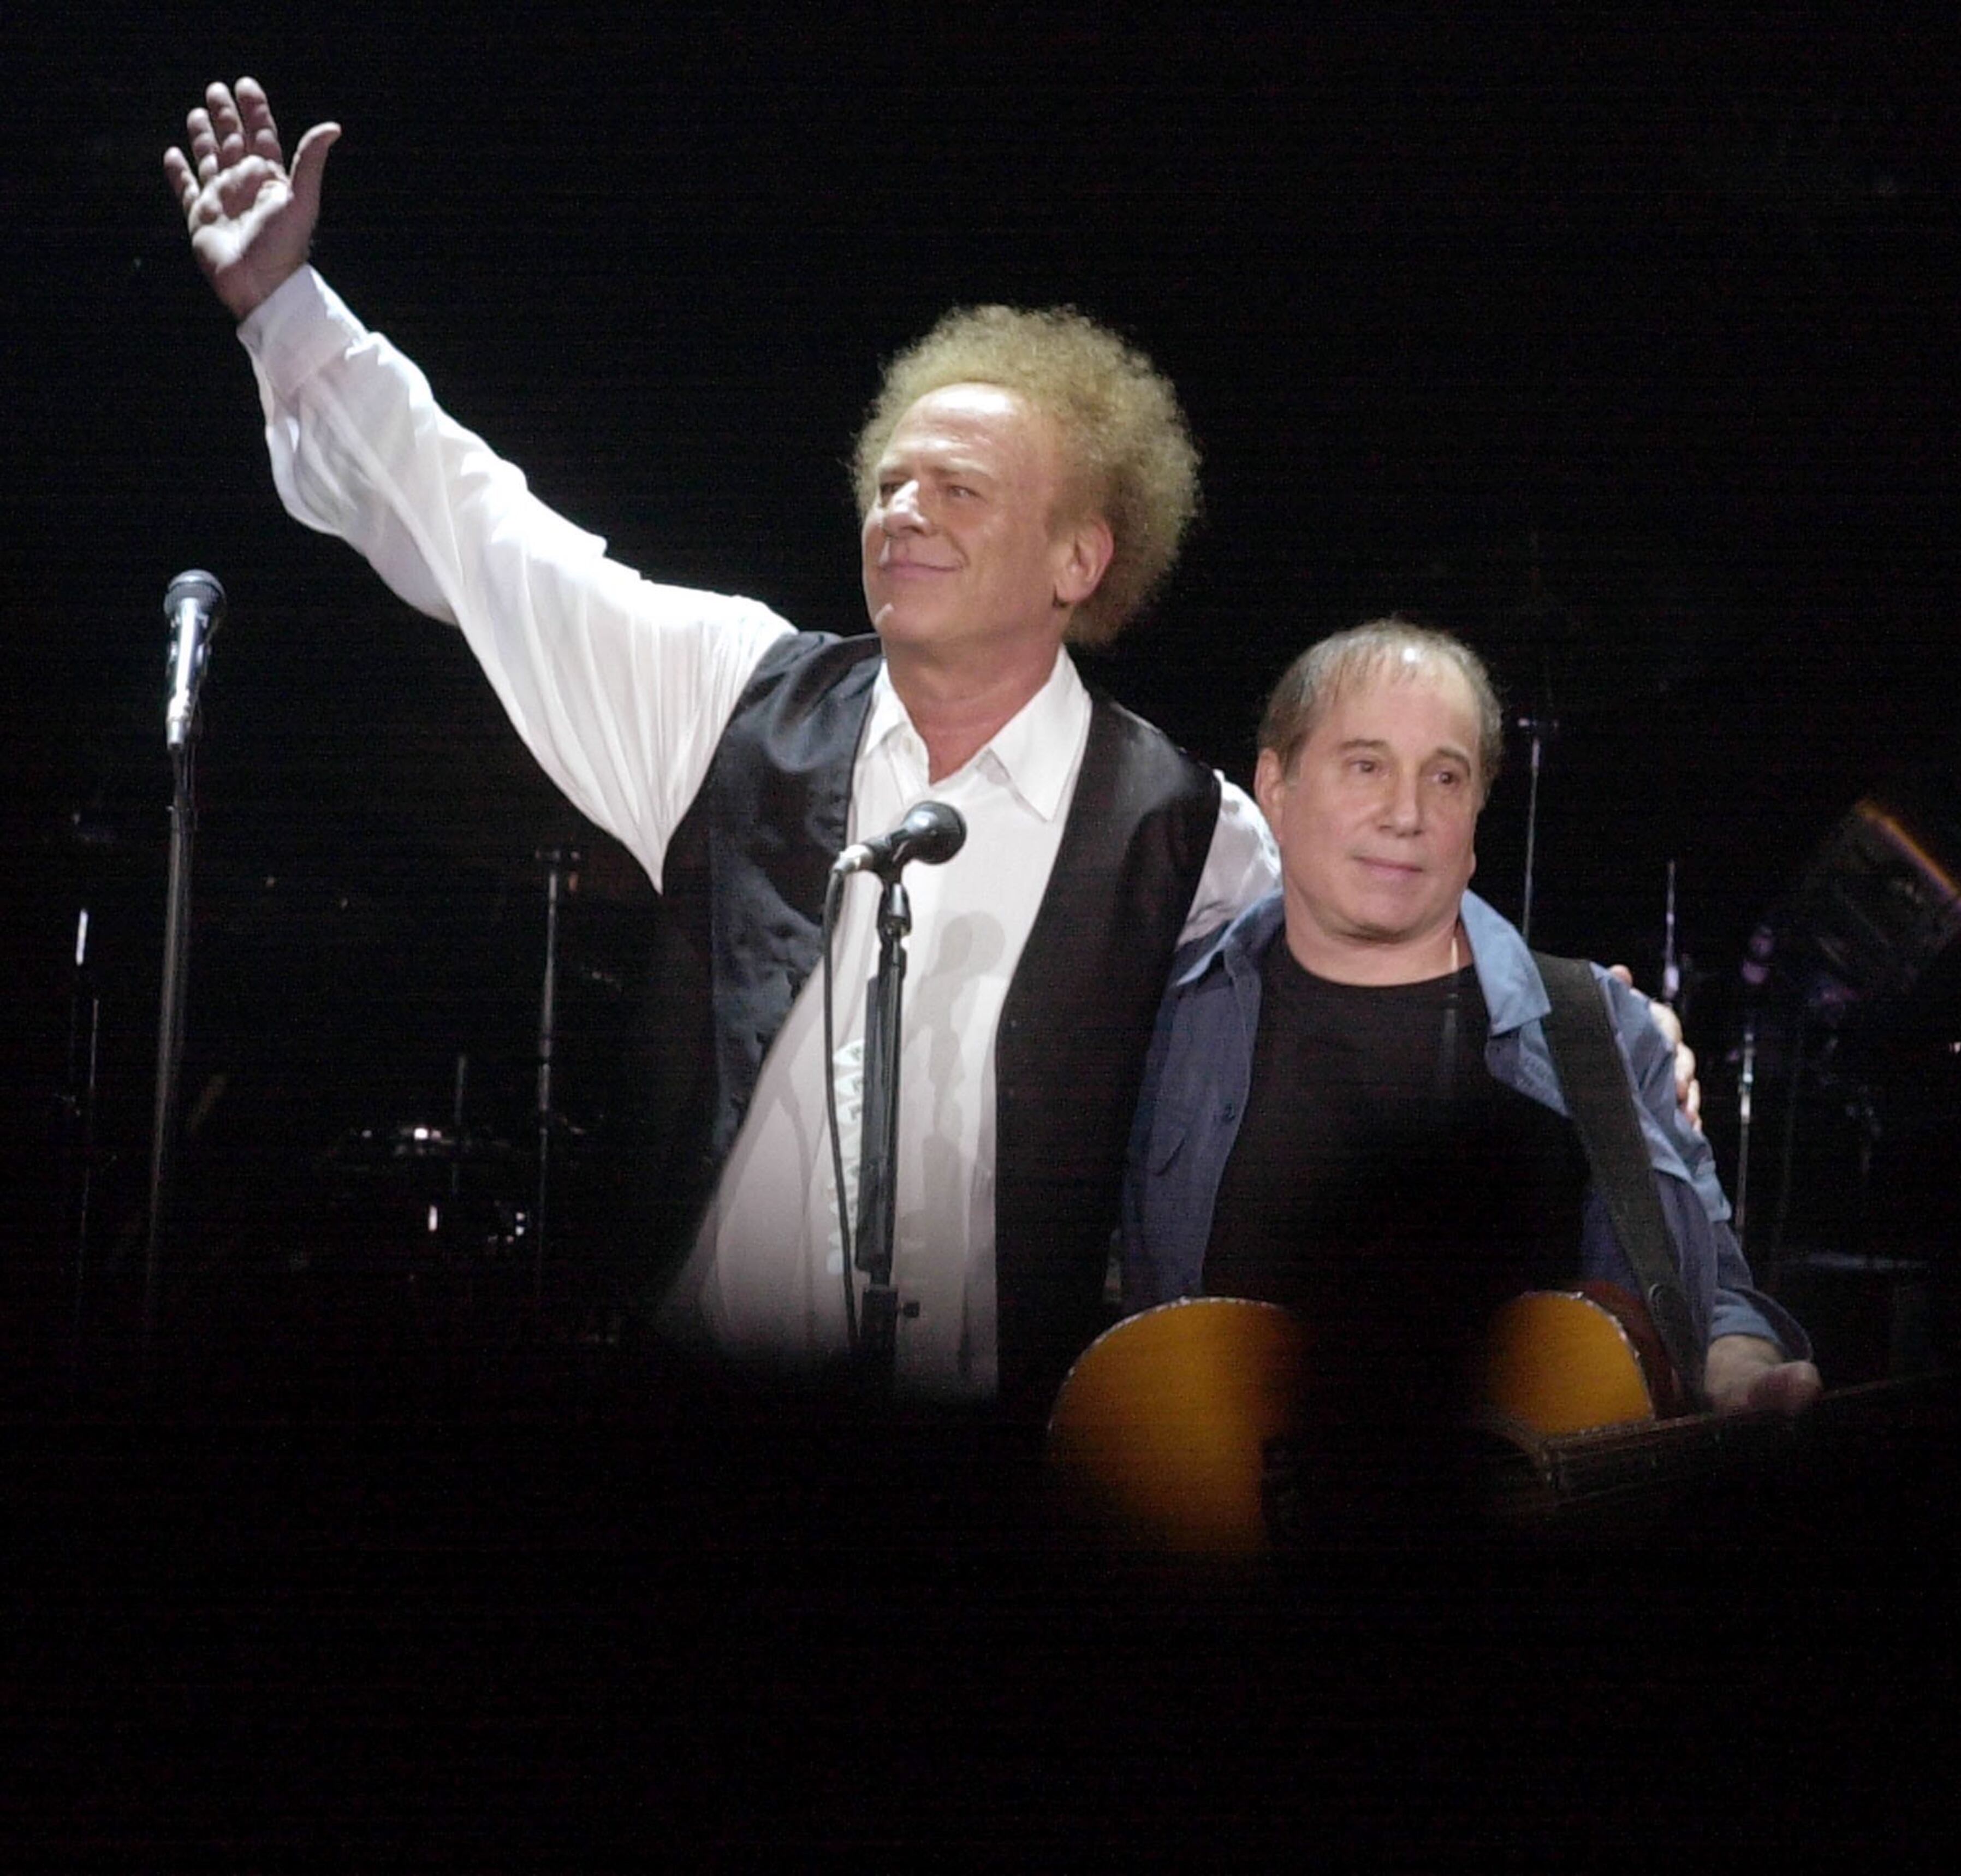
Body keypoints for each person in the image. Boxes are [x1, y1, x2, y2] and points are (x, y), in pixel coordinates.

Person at [164, 78, 1278, 1416]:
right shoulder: (733, 693)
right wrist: (285, 306)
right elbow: (486, 534)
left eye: (959, 489)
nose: (903, 511)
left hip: (998, 1472)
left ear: (1079, 559)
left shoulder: (1192, 831)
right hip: (698, 1435)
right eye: (890, 483)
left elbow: (1369, 998)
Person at [1120, 618, 1821, 1446]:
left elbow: (1710, 1295)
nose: (1406, 813)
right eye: (1367, 765)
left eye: (1445, 777)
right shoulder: (1167, 1013)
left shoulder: (1597, 1030)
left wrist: (1742, 1371)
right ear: (1276, 786)